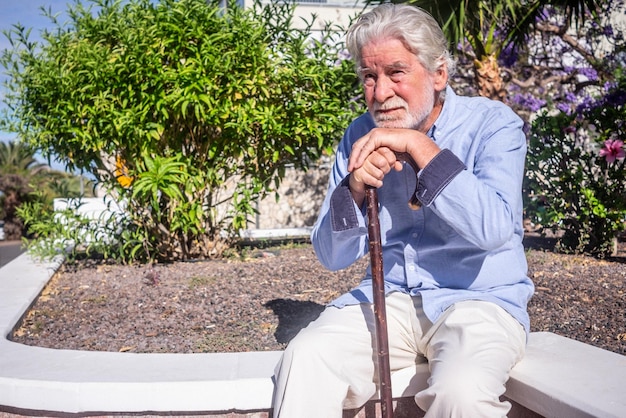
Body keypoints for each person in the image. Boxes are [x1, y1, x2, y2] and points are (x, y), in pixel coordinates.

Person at [271, 3, 534, 417]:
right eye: (369, 77)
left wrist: (424, 150)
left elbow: (493, 229)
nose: (379, 93)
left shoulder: (493, 125)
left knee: (461, 394)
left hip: (479, 302)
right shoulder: (359, 134)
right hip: (388, 298)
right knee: (307, 359)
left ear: (439, 73)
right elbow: (332, 255)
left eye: (396, 73)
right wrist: (354, 187)